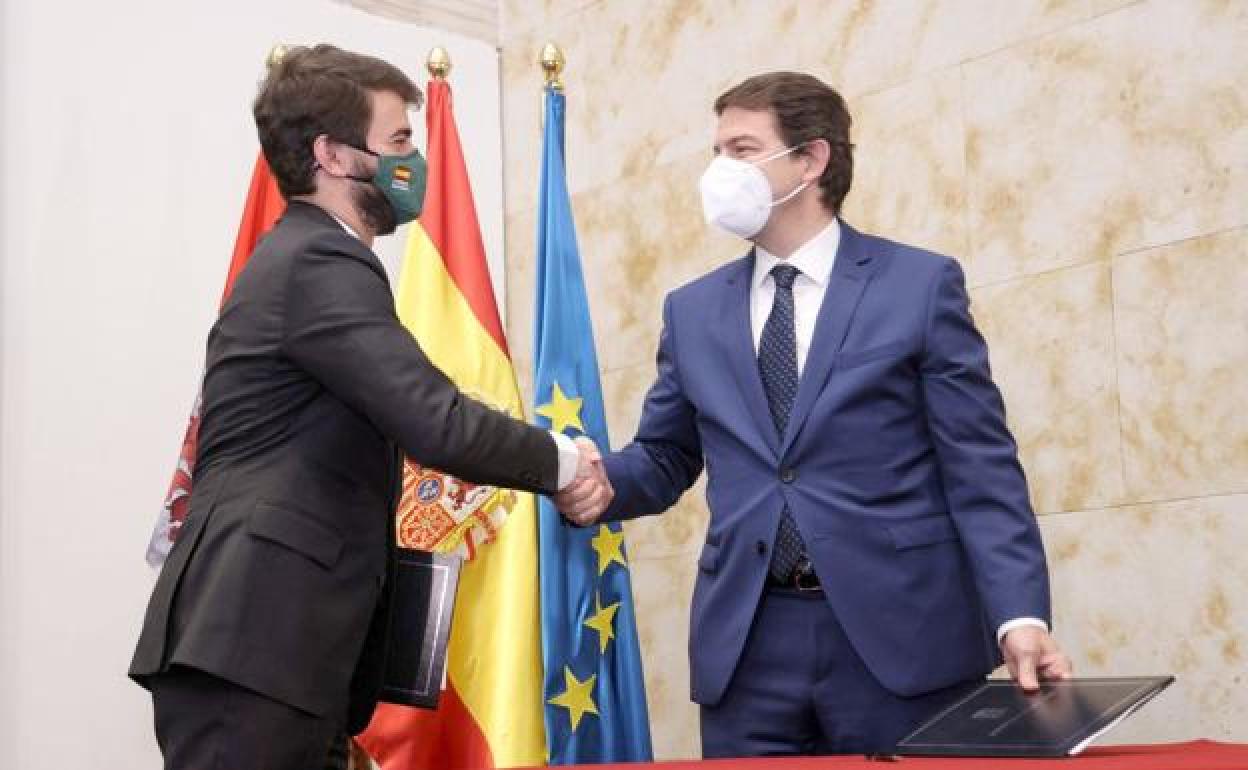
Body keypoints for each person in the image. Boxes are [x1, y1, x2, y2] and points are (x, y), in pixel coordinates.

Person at [555, 71, 1072, 757]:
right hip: (748, 646)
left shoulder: (919, 286)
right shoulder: (691, 310)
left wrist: (1020, 615)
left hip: (903, 640)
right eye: (716, 151)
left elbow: (981, 469)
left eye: (741, 150)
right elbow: (665, 455)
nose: (719, 170)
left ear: (811, 159)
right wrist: (592, 480)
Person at [129, 44, 608, 770]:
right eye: (399, 140)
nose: (413, 162)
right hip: (256, 641)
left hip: (279, 651)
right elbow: (433, 418)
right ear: (332, 155)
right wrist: (565, 462)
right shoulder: (318, 261)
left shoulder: (306, 259)